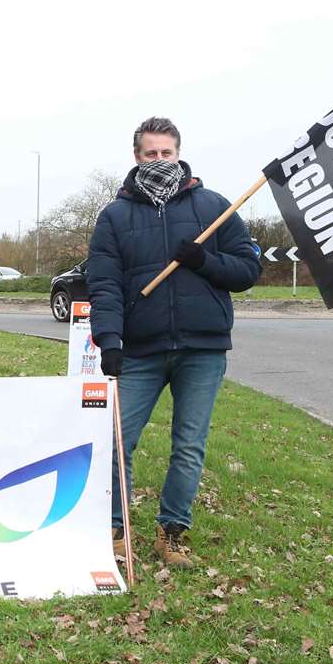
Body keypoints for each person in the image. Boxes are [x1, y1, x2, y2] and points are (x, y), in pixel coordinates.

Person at [86, 117, 261, 567]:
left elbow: (247, 271)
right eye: (150, 153)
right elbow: (103, 284)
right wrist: (109, 340)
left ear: (178, 153)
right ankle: (114, 528)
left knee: (188, 444)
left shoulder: (214, 207)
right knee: (115, 439)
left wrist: (205, 260)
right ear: (136, 156)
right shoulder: (115, 216)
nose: (158, 160)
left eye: (166, 153)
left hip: (202, 349)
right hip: (140, 350)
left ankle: (173, 532)